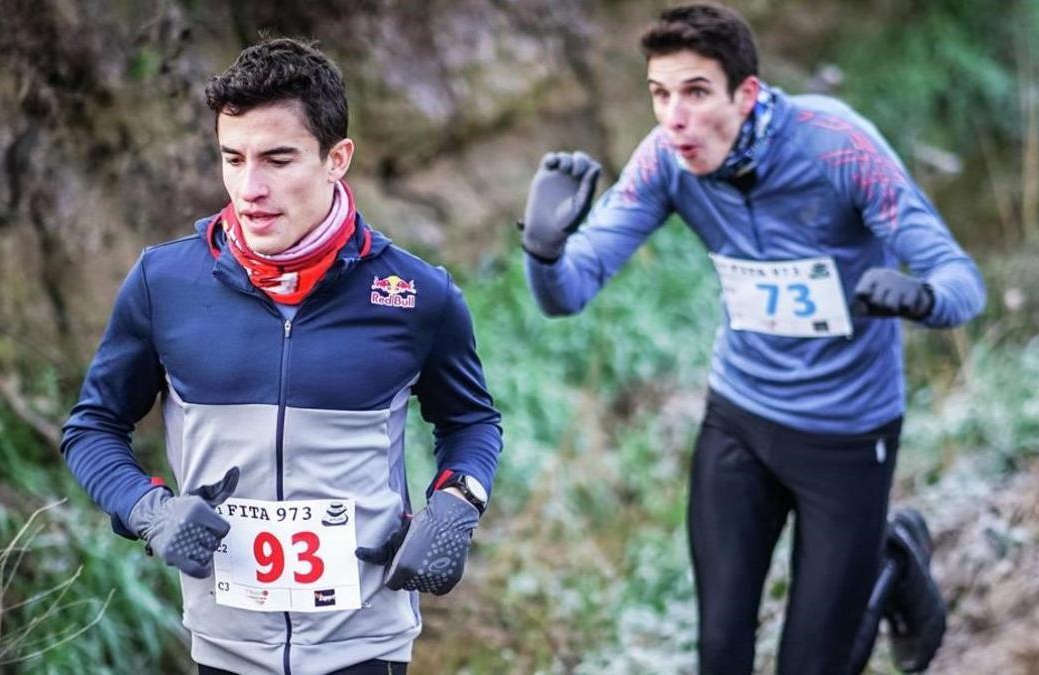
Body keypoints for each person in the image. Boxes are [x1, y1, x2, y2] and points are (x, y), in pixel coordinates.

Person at [518, 4, 983, 674]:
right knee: (719, 654)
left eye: (696, 92)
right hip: (740, 420)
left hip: (847, 434)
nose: (674, 117)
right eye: (660, 94)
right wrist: (542, 249)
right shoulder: (665, 160)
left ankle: (893, 563)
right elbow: (569, 293)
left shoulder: (839, 147)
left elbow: (960, 279)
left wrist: (921, 297)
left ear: (747, 94)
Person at [62, 38, 502, 675]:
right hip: (224, 644)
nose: (250, 187)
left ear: (336, 159)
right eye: (232, 159)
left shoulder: (415, 295)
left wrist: (459, 501)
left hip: (365, 645)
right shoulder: (166, 283)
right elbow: (92, 427)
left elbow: (471, 422)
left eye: (278, 159)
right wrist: (148, 509)